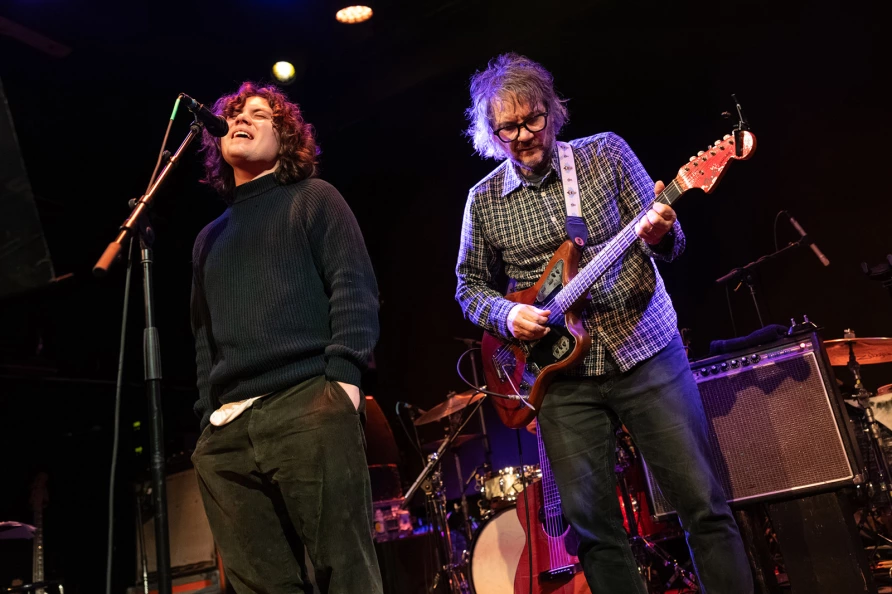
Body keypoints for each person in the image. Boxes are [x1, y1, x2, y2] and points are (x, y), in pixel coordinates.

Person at [455, 54, 753, 594]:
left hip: (644, 351)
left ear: (552, 112)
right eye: (509, 127)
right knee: (594, 533)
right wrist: (508, 312)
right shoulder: (483, 202)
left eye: (534, 119)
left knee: (703, 506)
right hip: (561, 383)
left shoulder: (606, 154)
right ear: (490, 132)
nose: (524, 135)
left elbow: (675, 242)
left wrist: (662, 232)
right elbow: (468, 287)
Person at [189, 82, 383, 594]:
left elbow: (354, 288)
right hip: (227, 429)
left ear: (288, 137)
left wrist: (342, 384)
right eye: (233, 115)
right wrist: (206, 420)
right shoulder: (209, 237)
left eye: (258, 113)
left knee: (345, 575)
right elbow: (203, 338)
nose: (240, 120)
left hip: (307, 405)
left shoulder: (314, 198)